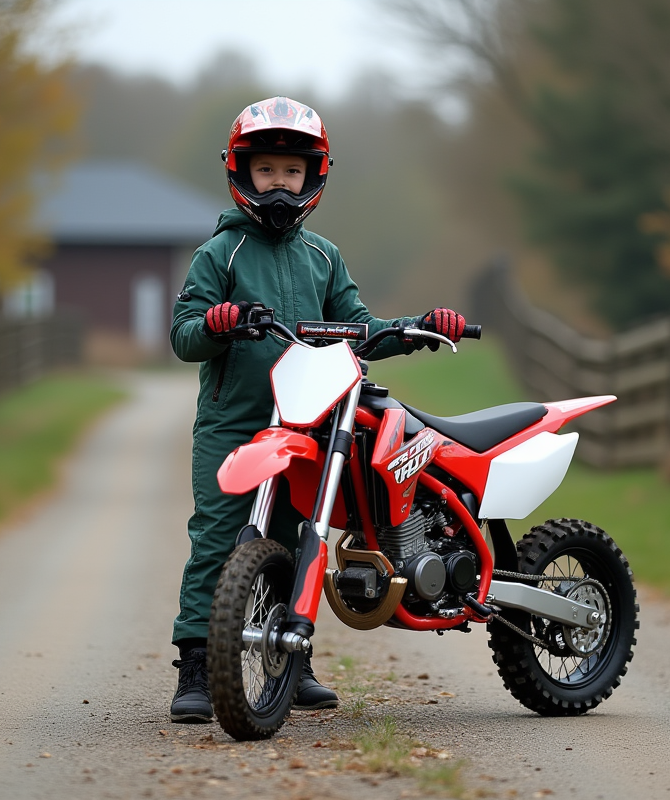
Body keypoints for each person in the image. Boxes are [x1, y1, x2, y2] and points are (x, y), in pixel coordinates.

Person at [168, 96, 468, 723]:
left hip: (310, 424)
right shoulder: (218, 254)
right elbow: (184, 333)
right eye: (268, 170)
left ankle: (290, 661)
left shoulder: (324, 257)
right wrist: (220, 322)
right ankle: (197, 664)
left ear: (314, 176)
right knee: (222, 538)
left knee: (298, 537)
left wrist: (415, 327)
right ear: (242, 172)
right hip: (234, 423)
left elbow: (359, 328)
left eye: (293, 171)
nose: (280, 182)